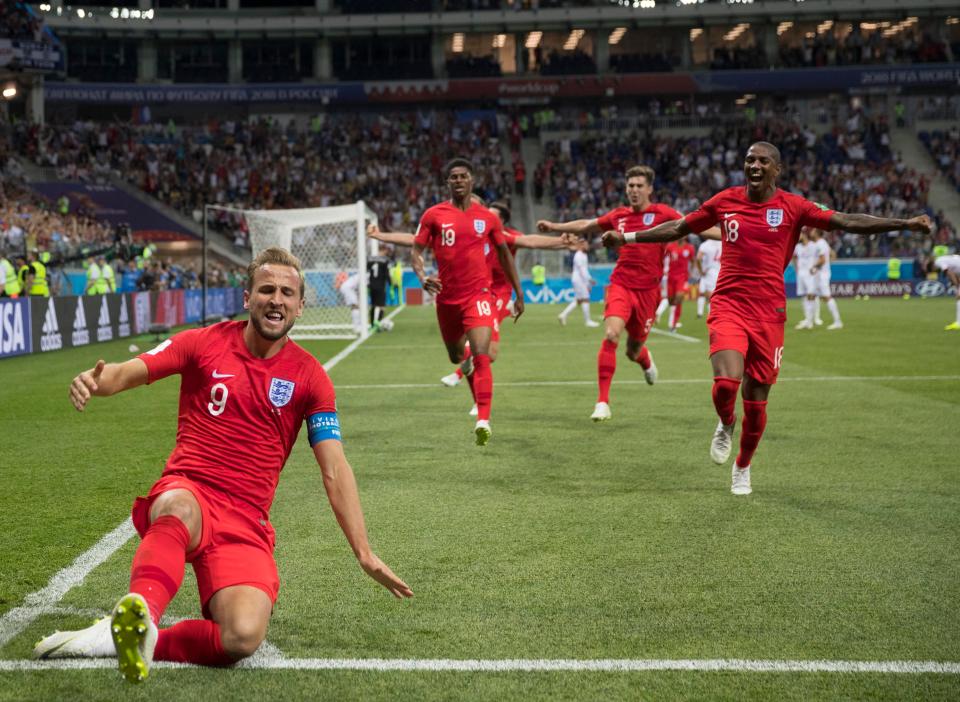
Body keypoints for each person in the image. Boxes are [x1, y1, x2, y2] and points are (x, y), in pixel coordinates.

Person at [34, 247, 413, 682]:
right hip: (191, 489)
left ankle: (139, 637)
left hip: (246, 520)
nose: (277, 300)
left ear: (301, 306)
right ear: (247, 297)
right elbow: (131, 371)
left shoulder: (310, 377)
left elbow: (334, 467)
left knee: (242, 636)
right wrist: (95, 381)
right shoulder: (202, 342)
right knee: (176, 507)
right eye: (266, 289)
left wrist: (364, 552)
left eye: (287, 293)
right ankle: (142, 607)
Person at [603, 142, 932, 495]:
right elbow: (680, 227)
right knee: (727, 383)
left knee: (757, 402)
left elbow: (846, 220)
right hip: (729, 304)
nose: (755, 165)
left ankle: (742, 465)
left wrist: (904, 224)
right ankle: (726, 422)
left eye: (763, 161)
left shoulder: (793, 206)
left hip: (769, 313)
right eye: (749, 160)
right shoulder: (726, 200)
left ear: (776, 169)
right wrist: (628, 237)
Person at [538, 165, 718, 422]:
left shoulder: (663, 213)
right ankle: (602, 402)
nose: (634, 190)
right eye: (630, 186)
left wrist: (729, 234)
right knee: (611, 334)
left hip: (649, 293)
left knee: (633, 350)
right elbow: (587, 225)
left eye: (639, 186)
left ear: (649, 189)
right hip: (621, 284)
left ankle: (644, 360)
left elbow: (694, 225)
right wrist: (554, 225)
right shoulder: (618, 215)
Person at [369, 200, 560, 415]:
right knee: (477, 351)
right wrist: (381, 235)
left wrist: (561, 241)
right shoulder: (461, 234)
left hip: (495, 294)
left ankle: (461, 375)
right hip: (473, 294)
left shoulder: (500, 235)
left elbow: (531, 241)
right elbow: (415, 240)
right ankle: (475, 395)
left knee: (489, 353)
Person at [411, 160, 524, 444]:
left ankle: (483, 419)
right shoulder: (434, 215)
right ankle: (465, 370)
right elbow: (416, 250)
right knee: (455, 354)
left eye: (463, 176)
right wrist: (423, 276)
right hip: (447, 299)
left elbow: (505, 255)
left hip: (478, 296)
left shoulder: (488, 218)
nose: (458, 180)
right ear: (447, 183)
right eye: (453, 177)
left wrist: (518, 294)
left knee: (482, 352)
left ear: (472, 181)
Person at [557, 236, 599, 328]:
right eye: (585, 244)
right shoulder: (579, 255)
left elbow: (584, 270)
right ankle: (587, 321)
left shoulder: (583, 255)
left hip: (580, 279)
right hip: (579, 279)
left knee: (579, 300)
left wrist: (588, 282)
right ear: (580, 245)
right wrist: (589, 280)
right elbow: (582, 270)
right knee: (586, 299)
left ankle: (563, 315)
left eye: (587, 244)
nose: (587, 246)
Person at [810, 228, 842, 329]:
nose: (811, 232)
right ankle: (810, 320)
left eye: (813, 230)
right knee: (811, 295)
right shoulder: (823, 243)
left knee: (826, 296)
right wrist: (828, 264)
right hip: (821, 273)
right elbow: (833, 254)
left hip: (821, 275)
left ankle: (837, 322)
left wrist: (814, 267)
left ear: (816, 233)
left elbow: (823, 259)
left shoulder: (820, 243)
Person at [664, 235, 696, 331]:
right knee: (671, 301)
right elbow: (665, 257)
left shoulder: (690, 248)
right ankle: (673, 319)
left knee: (679, 297)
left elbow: (692, 261)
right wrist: (664, 268)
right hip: (671, 277)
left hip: (682, 277)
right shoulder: (670, 247)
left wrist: (691, 272)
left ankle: (673, 324)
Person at [792, 228, 820, 330]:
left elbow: (822, 257)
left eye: (800, 234)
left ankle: (812, 320)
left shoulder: (814, 246)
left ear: (804, 235)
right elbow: (794, 257)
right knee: (804, 296)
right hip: (801, 274)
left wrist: (816, 268)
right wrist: (796, 268)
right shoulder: (798, 247)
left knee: (811, 295)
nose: (798, 236)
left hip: (810, 274)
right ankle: (808, 319)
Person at [696, 236, 722, 319]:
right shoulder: (722, 243)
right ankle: (702, 314)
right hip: (718, 271)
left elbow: (698, 258)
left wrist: (700, 270)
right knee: (706, 294)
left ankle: (712, 316)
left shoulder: (705, 244)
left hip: (708, 272)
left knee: (708, 296)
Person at [367, 244, 391, 329]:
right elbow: (387, 274)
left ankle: (372, 323)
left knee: (373, 305)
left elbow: (367, 271)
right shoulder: (385, 260)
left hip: (371, 285)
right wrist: (390, 284)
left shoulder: (369, 259)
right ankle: (379, 323)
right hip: (380, 285)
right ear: (384, 250)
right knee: (381, 306)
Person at [934, 254, 960, 330]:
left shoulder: (938, 261)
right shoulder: (950, 259)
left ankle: (958, 323)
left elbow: (948, 272)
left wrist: (956, 285)